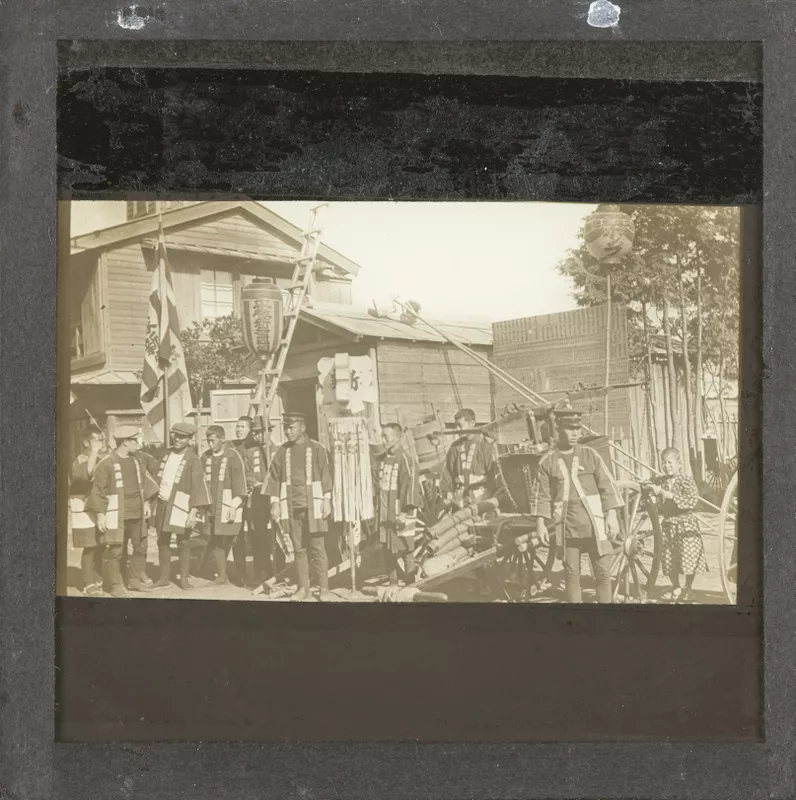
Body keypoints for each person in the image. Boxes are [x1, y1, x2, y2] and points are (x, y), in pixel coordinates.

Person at [529, 410, 623, 604]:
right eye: (570, 428)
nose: (575, 433)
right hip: (566, 527)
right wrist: (540, 524)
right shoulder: (547, 461)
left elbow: (607, 486)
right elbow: (541, 495)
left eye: (578, 428)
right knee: (572, 575)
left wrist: (612, 515)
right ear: (558, 429)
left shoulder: (590, 455)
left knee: (602, 573)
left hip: (594, 525)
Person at [265, 412, 333, 601]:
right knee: (299, 550)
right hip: (291, 507)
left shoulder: (318, 449)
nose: (287, 432)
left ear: (302, 428)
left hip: (314, 505)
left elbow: (326, 475)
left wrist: (327, 499)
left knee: (318, 548)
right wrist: (274, 503)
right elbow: (273, 478)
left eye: (291, 427)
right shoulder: (282, 451)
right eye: (285, 428)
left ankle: (324, 588)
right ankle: (303, 588)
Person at [86, 425, 159, 597]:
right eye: (135, 441)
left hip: (137, 512)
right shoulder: (107, 463)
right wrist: (101, 515)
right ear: (125, 442)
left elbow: (146, 483)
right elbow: (98, 490)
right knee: (115, 549)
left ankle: (134, 580)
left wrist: (147, 503)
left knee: (141, 546)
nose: (138, 444)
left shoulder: (137, 461)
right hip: (115, 513)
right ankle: (114, 585)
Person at [152, 422, 211, 590]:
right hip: (163, 502)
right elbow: (156, 478)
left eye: (182, 437)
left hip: (181, 504)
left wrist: (193, 511)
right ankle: (164, 578)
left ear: (189, 439)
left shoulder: (193, 459)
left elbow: (198, 487)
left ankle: (184, 578)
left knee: (183, 541)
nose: (177, 439)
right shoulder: (165, 454)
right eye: (175, 436)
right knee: (162, 540)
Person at [645, 447, 708, 603]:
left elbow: (692, 501)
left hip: (686, 524)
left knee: (688, 558)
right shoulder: (661, 480)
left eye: (670, 463)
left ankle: (688, 588)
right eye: (664, 463)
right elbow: (646, 483)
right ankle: (676, 587)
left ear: (679, 464)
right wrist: (650, 487)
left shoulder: (686, 480)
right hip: (668, 525)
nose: (666, 466)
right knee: (669, 558)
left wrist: (671, 496)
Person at [373, 423, 422, 586]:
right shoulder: (381, 460)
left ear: (397, 438)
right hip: (384, 509)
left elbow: (410, 488)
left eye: (386, 437)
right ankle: (393, 582)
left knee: (405, 546)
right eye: (382, 436)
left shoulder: (407, 460)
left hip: (401, 510)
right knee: (386, 547)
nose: (383, 440)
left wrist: (403, 513)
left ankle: (410, 582)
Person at [202, 424, 248, 586]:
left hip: (229, 504)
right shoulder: (205, 457)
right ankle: (222, 575)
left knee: (234, 539)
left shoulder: (233, 456)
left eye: (213, 441)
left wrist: (234, 505)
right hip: (211, 506)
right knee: (216, 538)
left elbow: (239, 482)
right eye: (208, 441)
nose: (210, 444)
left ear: (222, 439)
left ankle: (241, 573)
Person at [231, 415, 271, 587]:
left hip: (261, 499)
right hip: (242, 496)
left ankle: (264, 571)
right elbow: (243, 472)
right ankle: (240, 574)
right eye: (237, 426)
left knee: (258, 534)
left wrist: (261, 485)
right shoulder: (235, 448)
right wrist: (250, 483)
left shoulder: (268, 450)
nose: (239, 429)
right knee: (237, 535)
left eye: (243, 427)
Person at [68, 425, 108, 596]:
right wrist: (94, 452)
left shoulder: (101, 457)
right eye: (98, 440)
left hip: (99, 505)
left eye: (103, 439)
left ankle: (96, 575)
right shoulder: (80, 459)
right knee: (90, 545)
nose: (102, 443)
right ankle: (88, 583)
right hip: (83, 506)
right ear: (86, 443)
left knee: (101, 543)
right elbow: (88, 473)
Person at [442, 408, 500, 509]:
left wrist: (490, 499)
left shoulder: (485, 444)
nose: (457, 429)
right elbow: (448, 472)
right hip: (459, 498)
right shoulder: (455, 447)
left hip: (481, 496)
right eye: (456, 426)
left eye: (460, 425)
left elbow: (492, 474)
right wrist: (448, 492)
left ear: (472, 423)